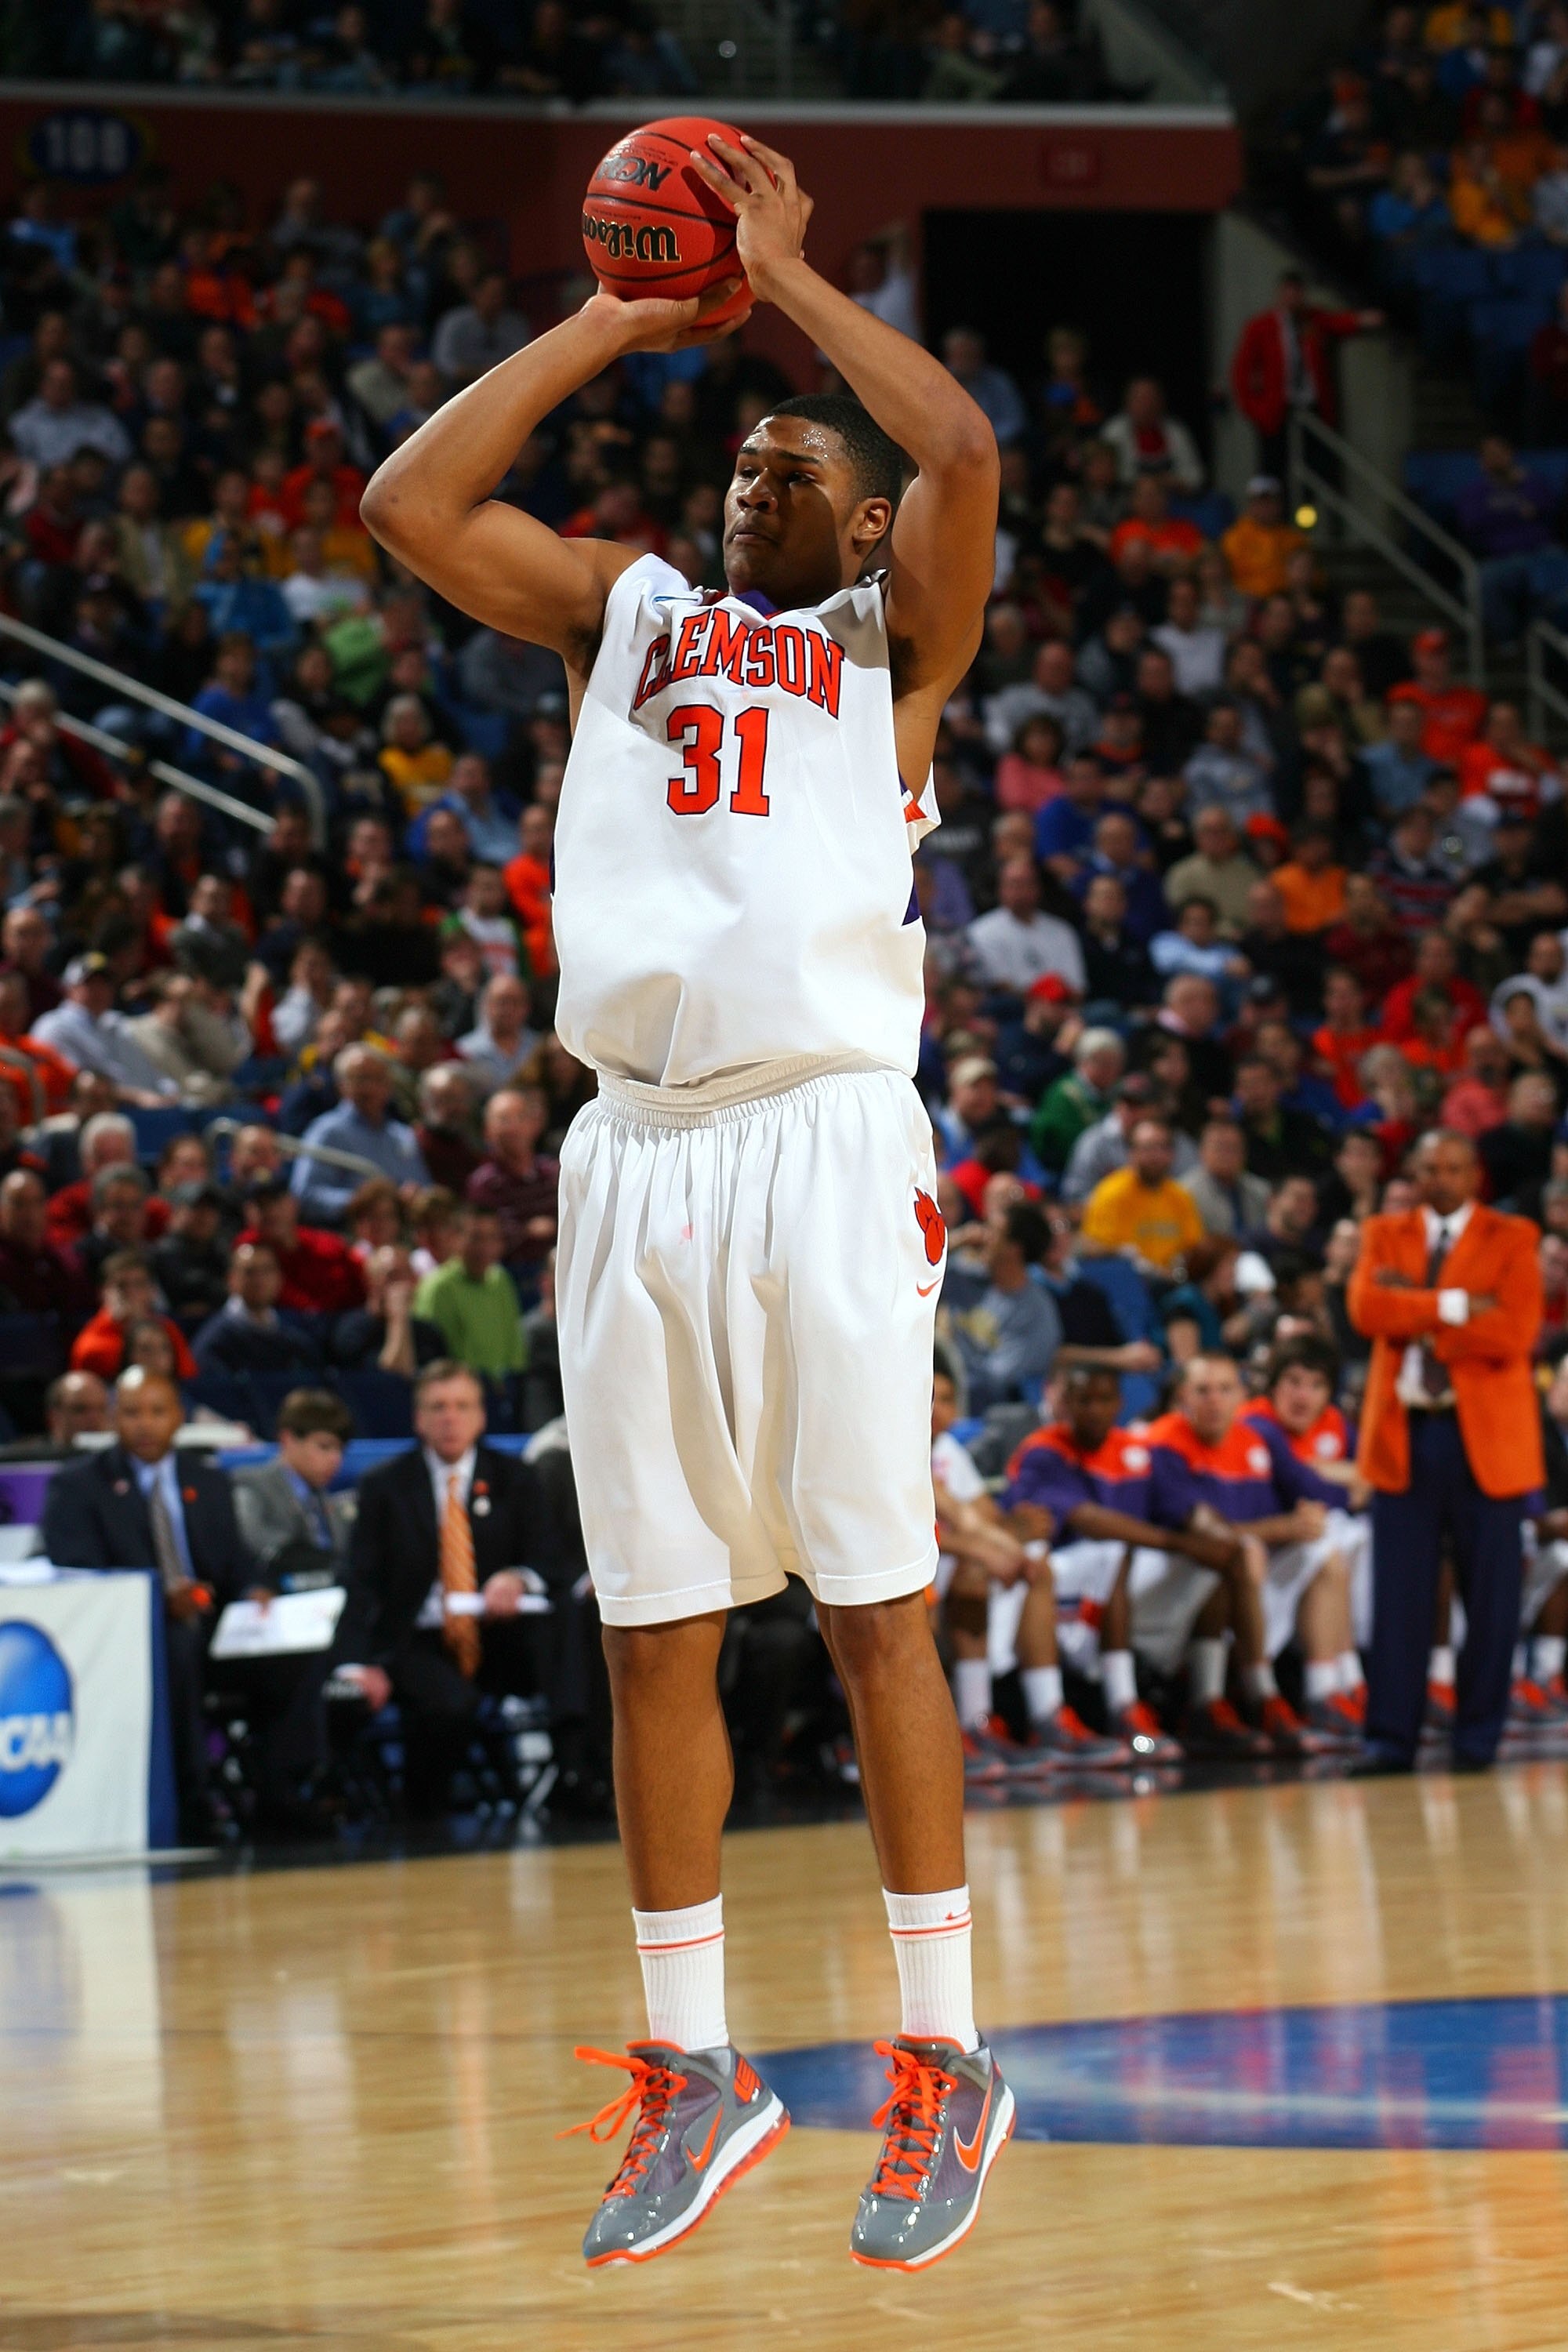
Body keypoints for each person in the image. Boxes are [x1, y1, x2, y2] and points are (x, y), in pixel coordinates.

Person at [362, 127, 1013, 2269]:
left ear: (856, 520)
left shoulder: (895, 652)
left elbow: (960, 447)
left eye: (788, 463)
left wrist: (786, 275)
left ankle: (944, 2058)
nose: (751, 479)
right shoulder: (625, 614)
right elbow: (408, 510)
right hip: (630, 1146)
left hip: (823, 1130)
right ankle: (696, 2066)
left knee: (873, 1604)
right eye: (734, 458)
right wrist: (617, 315)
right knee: (649, 1623)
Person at [1348, 1128, 1544, 1772]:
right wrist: (1459, 1306)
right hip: (1405, 1433)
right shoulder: (1384, 1232)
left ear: (1474, 1174)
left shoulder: (1513, 1236)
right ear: (1415, 1172)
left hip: (1485, 1437)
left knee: (1492, 1598)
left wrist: (1416, 1314)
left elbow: (1514, 1331)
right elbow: (1367, 1311)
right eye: (1431, 1168)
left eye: (1455, 1168)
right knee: (1399, 1595)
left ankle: (1477, 1738)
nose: (1442, 1179)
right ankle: (1389, 1740)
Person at [41, 1364, 255, 1838]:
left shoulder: (209, 1480)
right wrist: (159, 1601)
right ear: (113, 1418)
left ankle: (286, 1791)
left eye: (157, 1412)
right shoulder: (79, 1485)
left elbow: (236, 1563)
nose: (145, 1424)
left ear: (179, 1417)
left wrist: (259, 1593)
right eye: (132, 1412)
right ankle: (194, 1802)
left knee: (293, 1653)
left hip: (217, 1623)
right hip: (132, 1637)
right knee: (179, 1645)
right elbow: (80, 1574)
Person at [335, 1359, 541, 1795]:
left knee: (574, 1659)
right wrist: (359, 1662)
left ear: (481, 1417)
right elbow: (361, 1580)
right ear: (419, 1419)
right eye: (438, 1406)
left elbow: (548, 1558)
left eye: (462, 1406)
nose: (451, 1418)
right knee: (449, 1704)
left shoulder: (516, 1479)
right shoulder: (384, 1486)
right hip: (417, 1637)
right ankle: (423, 1806)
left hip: (499, 1631)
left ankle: (579, 1786)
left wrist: (519, 1578)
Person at [233, 1385, 357, 1585]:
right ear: (288, 1439)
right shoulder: (252, 1486)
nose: (336, 1460)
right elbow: (256, 1541)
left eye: (340, 1450)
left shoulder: (329, 1500)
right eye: (324, 1447)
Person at [412, 1202, 526, 1381]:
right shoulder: (437, 1287)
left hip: (506, 1388)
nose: (485, 1248)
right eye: (476, 1238)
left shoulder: (501, 1279)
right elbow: (433, 1358)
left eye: (492, 1238)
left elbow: (515, 1346)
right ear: (455, 1238)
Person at [1080, 1116, 1206, 1276]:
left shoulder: (1180, 1195)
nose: (1156, 1156)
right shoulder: (1112, 1193)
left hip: (1173, 1281)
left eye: (1163, 1147)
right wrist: (1125, 1256)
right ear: (1132, 1152)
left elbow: (1193, 1246)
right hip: (1127, 1280)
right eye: (1148, 1148)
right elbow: (1092, 1247)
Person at [191, 1242, 325, 1377]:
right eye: (249, 1272)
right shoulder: (215, 1340)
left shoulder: (294, 1334)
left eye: (267, 1270)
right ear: (231, 1280)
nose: (259, 1280)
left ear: (279, 1278)